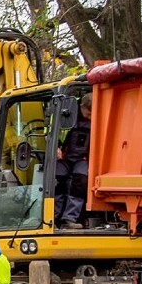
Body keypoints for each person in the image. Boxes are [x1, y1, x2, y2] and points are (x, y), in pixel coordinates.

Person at [54, 93, 92, 229]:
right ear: (81, 106)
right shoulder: (66, 115)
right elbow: (53, 132)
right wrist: (57, 146)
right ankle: (55, 216)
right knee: (57, 180)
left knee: (80, 181)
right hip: (64, 156)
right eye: (88, 114)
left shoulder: (99, 117)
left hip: (83, 158)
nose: (90, 117)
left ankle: (69, 218)